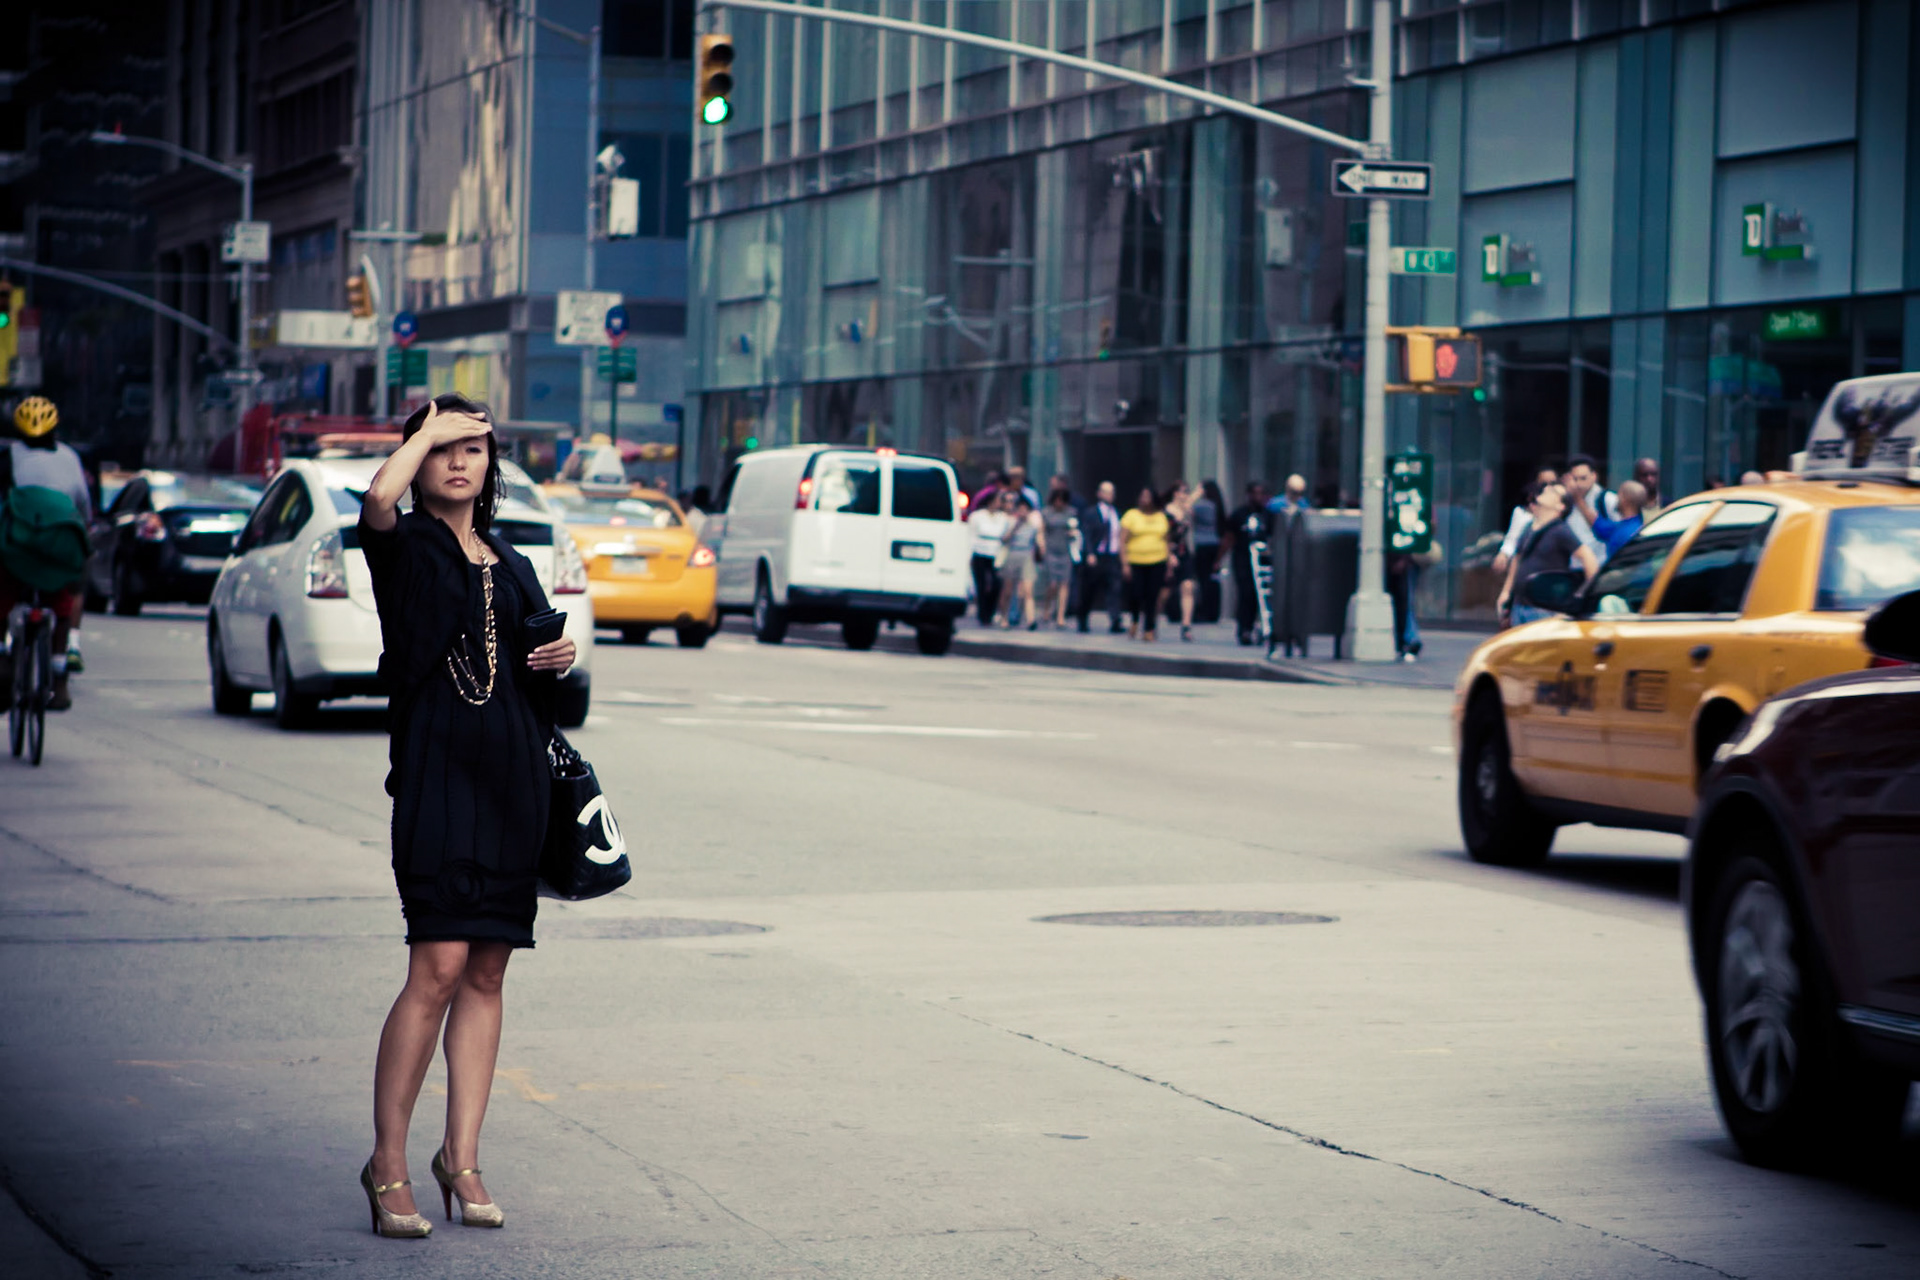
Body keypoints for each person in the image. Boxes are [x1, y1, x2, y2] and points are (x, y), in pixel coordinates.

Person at [356, 394, 577, 1238]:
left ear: (492, 465)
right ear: (419, 456)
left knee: (487, 972)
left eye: (474, 448)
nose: (458, 462)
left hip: (513, 786)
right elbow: (379, 499)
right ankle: (387, 1164)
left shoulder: (510, 559)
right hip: (437, 781)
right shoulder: (404, 544)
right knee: (438, 966)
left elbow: (530, 665)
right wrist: (425, 432)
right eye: (443, 447)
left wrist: (556, 656)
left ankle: (462, 1157)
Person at [0, 396, 93, 711]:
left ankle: (2, 658)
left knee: (3, 595)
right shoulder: (70, 458)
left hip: (18, 547)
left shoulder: (8, 458)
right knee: (64, 602)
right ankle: (60, 679)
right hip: (59, 548)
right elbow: (83, 508)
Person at [1497, 480, 1599, 627]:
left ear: (1560, 506)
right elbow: (1517, 559)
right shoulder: (1529, 527)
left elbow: (1587, 557)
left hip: (1544, 608)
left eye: (1554, 492)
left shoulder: (1561, 530)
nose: (1547, 490)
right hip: (1519, 605)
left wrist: (1586, 596)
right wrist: (1506, 591)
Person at [1119, 486, 1171, 642]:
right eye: (1143, 496)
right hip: (1136, 560)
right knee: (1136, 593)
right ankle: (1135, 619)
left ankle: (1149, 628)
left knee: (1152, 595)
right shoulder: (1131, 515)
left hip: (1157, 560)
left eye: (1148, 496)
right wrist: (1124, 563)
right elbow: (1122, 540)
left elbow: (1166, 541)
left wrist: (1169, 563)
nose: (1145, 500)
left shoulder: (1161, 517)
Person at [1224, 482, 1271, 645]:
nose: (1258, 497)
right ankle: (1244, 628)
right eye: (1255, 493)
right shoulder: (1239, 514)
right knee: (1246, 594)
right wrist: (1219, 559)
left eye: (1261, 493)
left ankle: (1261, 627)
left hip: (1262, 561)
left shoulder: (1267, 515)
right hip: (1243, 559)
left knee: (1261, 595)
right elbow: (1229, 537)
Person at [1076, 481, 1125, 634]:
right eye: (1106, 492)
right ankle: (1083, 619)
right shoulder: (1091, 513)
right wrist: (1090, 553)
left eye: (1112, 492)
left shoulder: (1116, 513)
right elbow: (1087, 534)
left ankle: (1115, 620)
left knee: (1114, 589)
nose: (1110, 495)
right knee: (1089, 590)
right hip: (1097, 556)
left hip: (1112, 556)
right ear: (1099, 493)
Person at [1493, 465, 1559, 576]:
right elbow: (1513, 539)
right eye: (1544, 484)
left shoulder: (1563, 510)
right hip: (1528, 568)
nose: (1548, 488)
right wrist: (1504, 554)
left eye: (1552, 483)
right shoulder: (1523, 511)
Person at [966, 488, 1012, 626]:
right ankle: (982, 614)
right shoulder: (977, 516)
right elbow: (971, 535)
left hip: (995, 553)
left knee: (996, 584)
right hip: (980, 551)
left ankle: (991, 611)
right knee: (981, 583)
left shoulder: (1003, 518)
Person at [996, 494, 1042, 629]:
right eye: (1020, 509)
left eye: (1025, 509)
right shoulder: (1010, 522)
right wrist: (1015, 527)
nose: (1023, 512)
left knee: (1028, 590)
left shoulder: (1032, 525)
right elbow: (1004, 539)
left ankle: (1030, 620)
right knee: (1008, 590)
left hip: (1026, 555)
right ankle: (1004, 617)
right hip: (1013, 554)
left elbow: (1038, 542)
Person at [1161, 482, 1198, 641]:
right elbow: (1164, 535)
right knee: (1165, 590)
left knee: (1188, 586)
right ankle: (1150, 620)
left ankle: (1186, 625)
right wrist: (1169, 554)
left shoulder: (1186, 511)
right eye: (1183, 492)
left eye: (1187, 492)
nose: (1185, 495)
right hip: (1169, 551)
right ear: (1175, 493)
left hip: (1184, 552)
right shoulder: (1168, 511)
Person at [1039, 486, 1079, 628]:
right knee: (1052, 584)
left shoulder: (1071, 513)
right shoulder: (1047, 513)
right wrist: (1042, 546)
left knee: (1064, 583)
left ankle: (1060, 615)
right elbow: (1042, 531)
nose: (1059, 503)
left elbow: (1075, 529)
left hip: (1065, 551)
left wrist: (1073, 533)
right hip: (1051, 550)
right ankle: (1047, 607)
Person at [1190, 479, 1224, 624]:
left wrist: (1195, 495)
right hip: (1215, 545)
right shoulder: (1217, 505)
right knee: (1213, 579)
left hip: (1203, 545)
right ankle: (1213, 611)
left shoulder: (1202, 506)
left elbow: (1186, 508)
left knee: (1203, 580)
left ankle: (1204, 611)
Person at [1591, 480, 1648, 558]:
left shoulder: (1628, 534)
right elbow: (1600, 525)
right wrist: (1579, 500)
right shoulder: (1627, 526)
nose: (1616, 499)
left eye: (1619, 495)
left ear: (1625, 500)